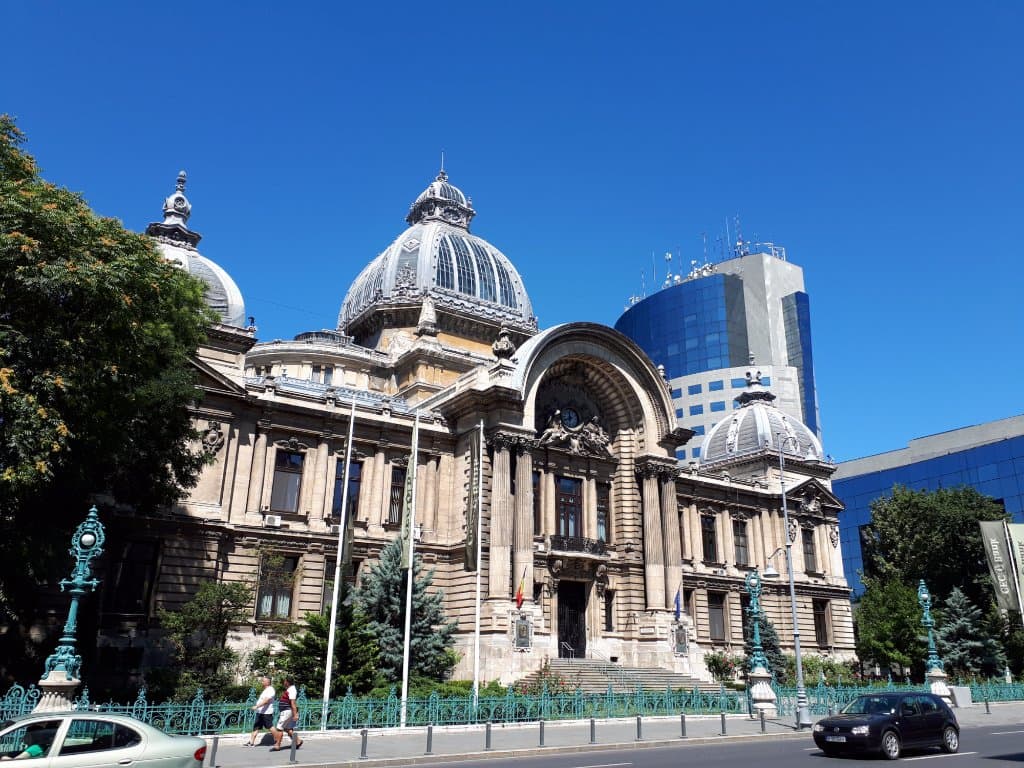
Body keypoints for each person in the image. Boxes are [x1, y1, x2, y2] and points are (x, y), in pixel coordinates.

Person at [270, 676, 302, 751]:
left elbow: (293, 703)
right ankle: (298, 741)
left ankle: (277, 745)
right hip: (287, 711)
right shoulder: (290, 689)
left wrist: (295, 714)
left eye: (284, 681)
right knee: (288, 729)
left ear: (287, 682)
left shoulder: (292, 690)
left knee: (279, 728)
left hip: (287, 711)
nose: (284, 682)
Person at [245, 676, 275, 747]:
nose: (262, 682)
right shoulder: (266, 689)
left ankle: (278, 739)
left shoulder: (271, 690)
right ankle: (251, 742)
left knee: (270, 727)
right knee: (256, 726)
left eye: (263, 681)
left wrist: (257, 706)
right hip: (261, 712)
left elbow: (266, 700)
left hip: (266, 713)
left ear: (268, 682)